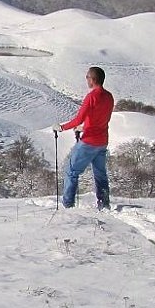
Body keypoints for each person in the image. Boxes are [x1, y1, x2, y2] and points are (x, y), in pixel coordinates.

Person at [55, 66, 114, 209]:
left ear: (93, 79)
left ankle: (68, 204)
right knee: (100, 174)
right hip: (102, 141)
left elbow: (78, 119)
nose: (86, 79)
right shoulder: (109, 97)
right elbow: (102, 118)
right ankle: (104, 203)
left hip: (89, 142)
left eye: (87, 77)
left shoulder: (91, 97)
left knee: (71, 171)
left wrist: (61, 127)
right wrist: (85, 127)